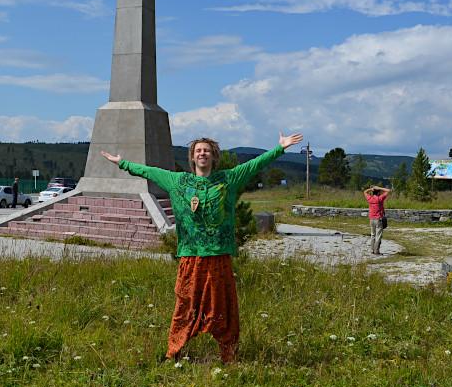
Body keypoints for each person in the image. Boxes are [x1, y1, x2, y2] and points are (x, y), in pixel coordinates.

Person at [101, 131, 304, 363]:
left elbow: (254, 165)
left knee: (223, 307)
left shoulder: (227, 179)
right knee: (185, 304)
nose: (202, 153)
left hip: (219, 256)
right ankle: (174, 352)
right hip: (191, 255)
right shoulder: (177, 181)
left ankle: (228, 354)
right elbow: (149, 172)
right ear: (192, 157)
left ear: (213, 156)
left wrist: (280, 148)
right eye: (198, 150)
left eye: (206, 150)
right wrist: (123, 163)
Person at [363, 185, 392, 255]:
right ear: (378, 192)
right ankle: (376, 251)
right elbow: (388, 191)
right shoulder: (380, 198)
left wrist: (371, 189)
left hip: (371, 219)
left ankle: (372, 250)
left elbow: (365, 192)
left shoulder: (370, 198)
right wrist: (379, 188)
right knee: (378, 236)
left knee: (372, 235)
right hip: (378, 219)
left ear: (373, 192)